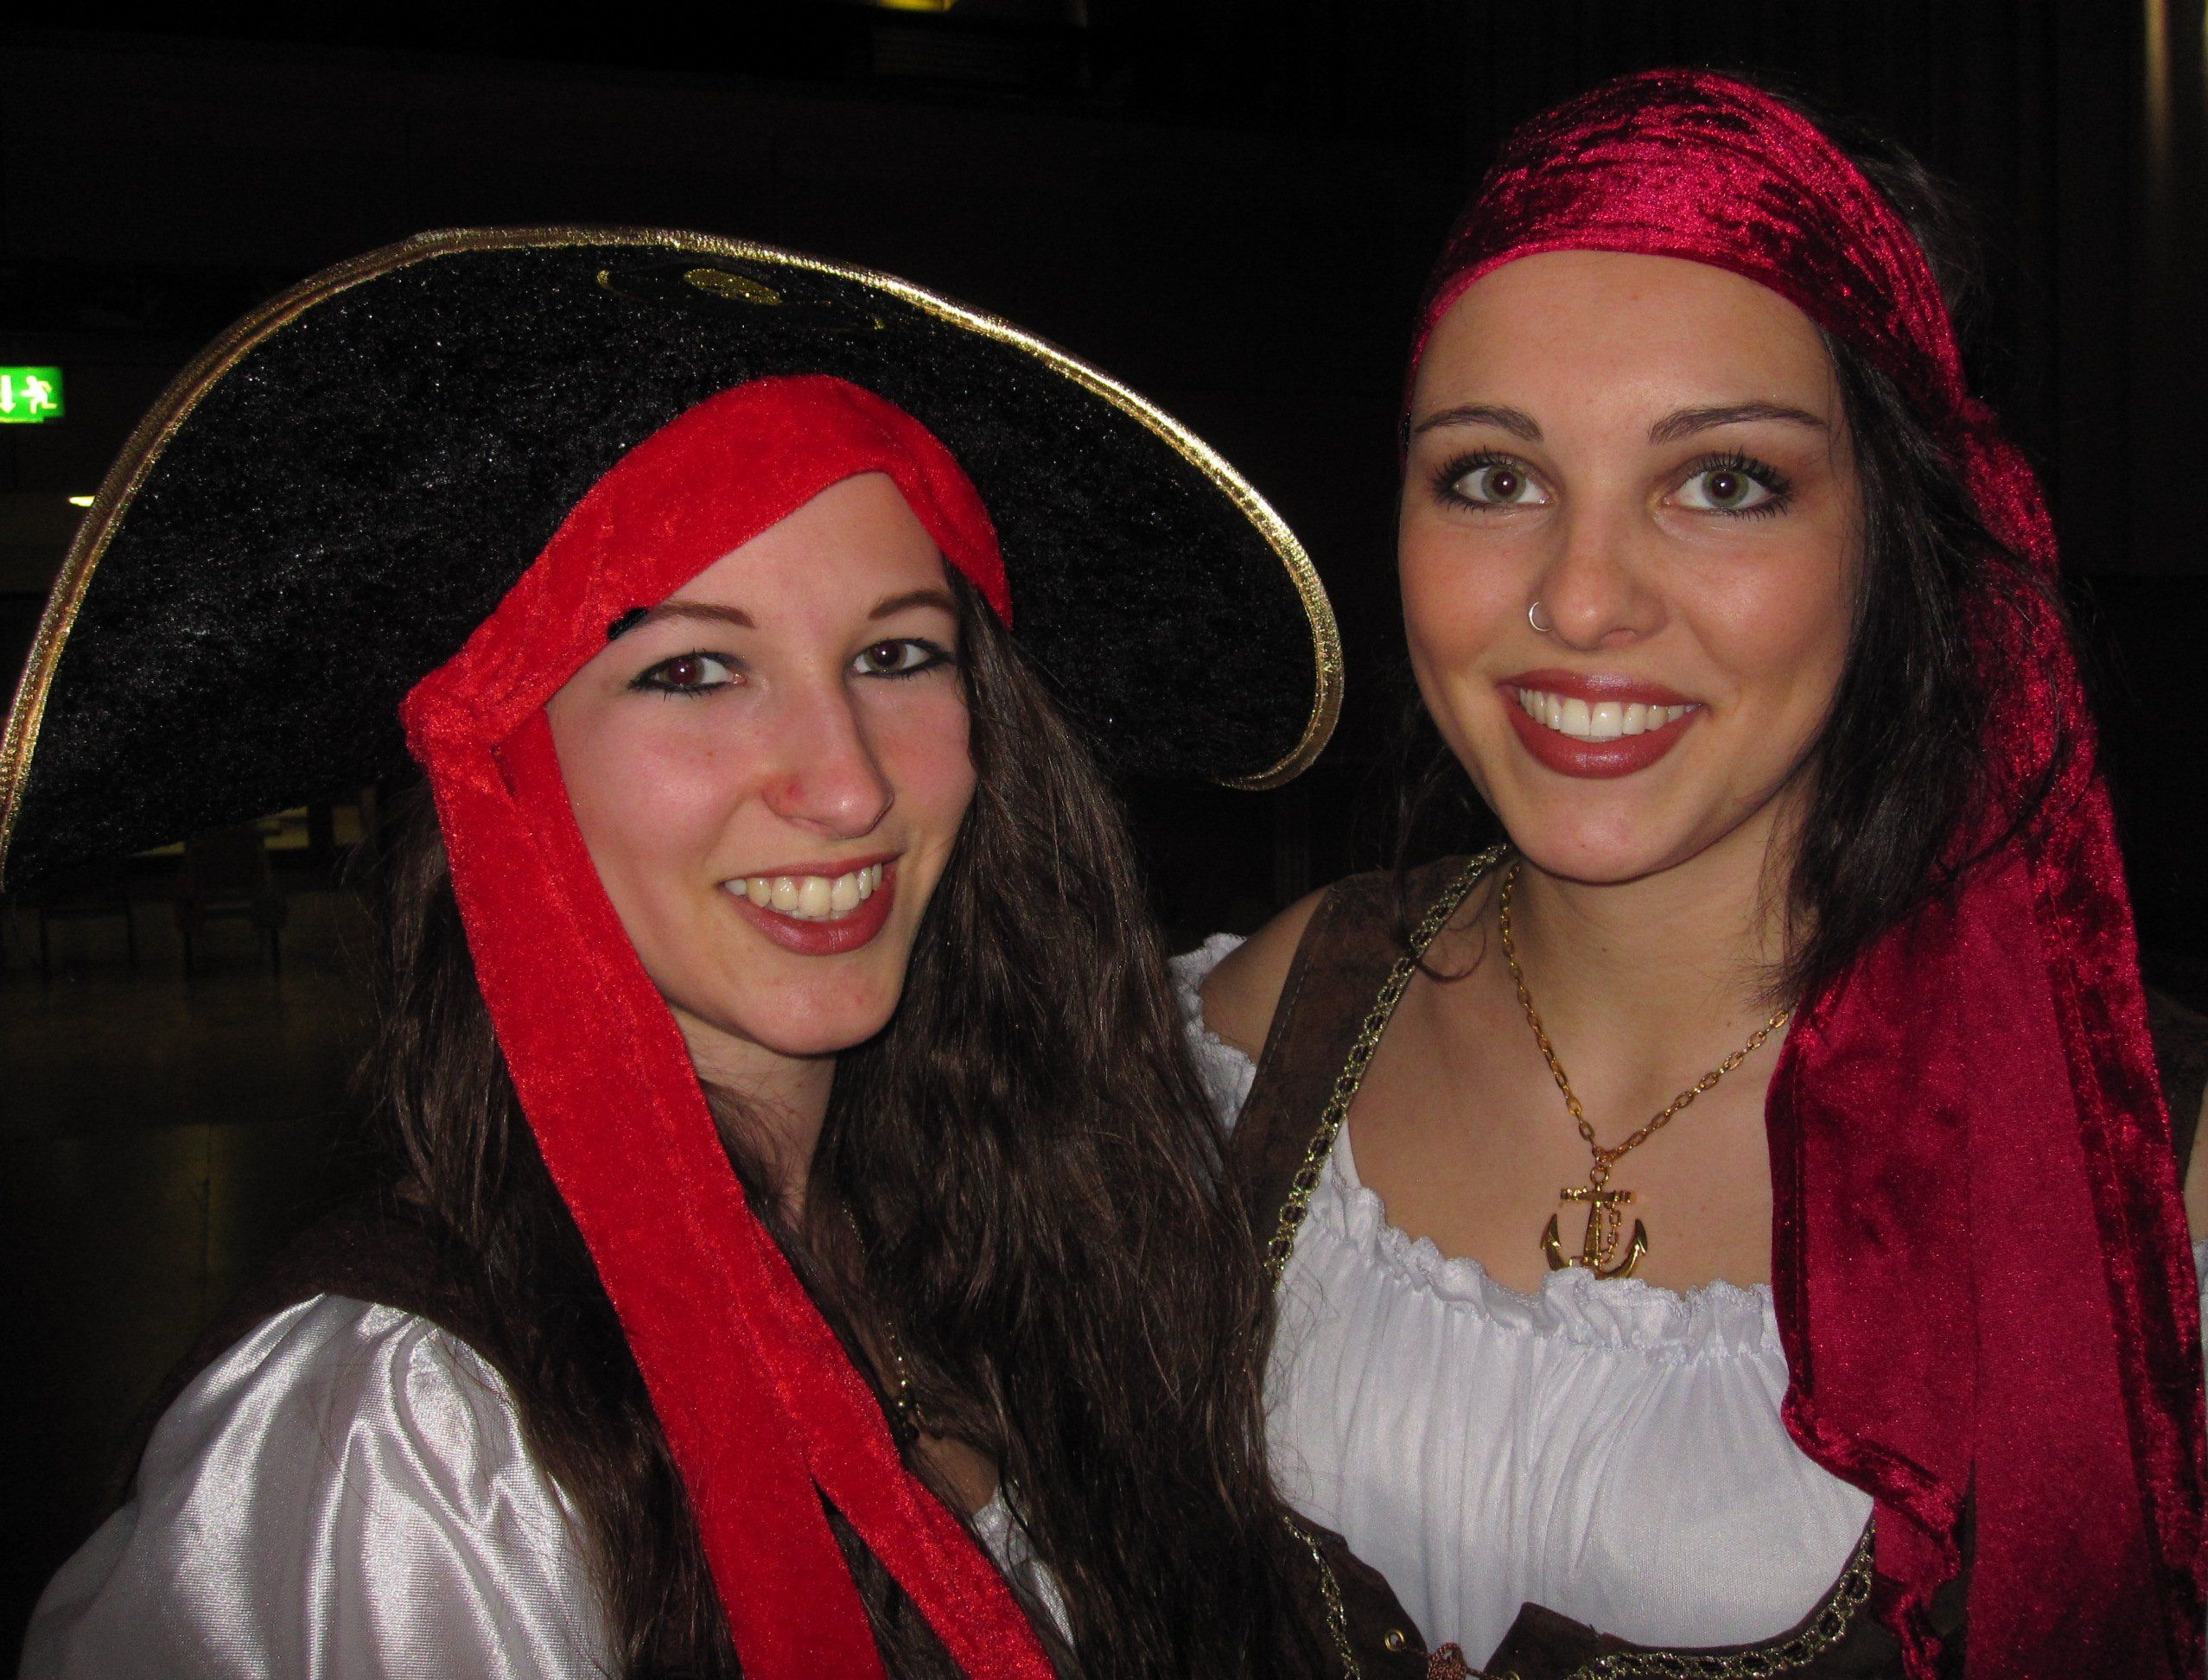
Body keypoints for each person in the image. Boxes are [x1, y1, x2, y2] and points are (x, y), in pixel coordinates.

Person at [6, 229, 1401, 1677]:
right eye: (693, 670)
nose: (847, 785)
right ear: (508, 764)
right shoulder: (408, 1446)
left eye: (896, 655)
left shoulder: (1018, 1233)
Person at [1188, 72, 2208, 1677]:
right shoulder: (1273, 1021)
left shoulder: (2164, 1176)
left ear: (1894, 541)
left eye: (1723, 481)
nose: (1582, 599)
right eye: (1493, 477)